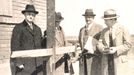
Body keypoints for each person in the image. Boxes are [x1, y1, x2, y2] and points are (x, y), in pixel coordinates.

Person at [11, 4, 44, 75]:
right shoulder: (18, 28)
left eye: (33, 15)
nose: (31, 16)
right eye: (29, 14)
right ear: (25, 15)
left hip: (37, 64)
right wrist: (19, 62)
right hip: (24, 64)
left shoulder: (38, 29)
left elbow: (40, 44)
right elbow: (14, 46)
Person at [97, 9, 132, 75]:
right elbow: (99, 43)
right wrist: (103, 49)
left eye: (106, 20)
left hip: (119, 62)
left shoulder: (123, 29)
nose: (104, 22)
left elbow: (128, 45)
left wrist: (116, 49)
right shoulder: (104, 31)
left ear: (112, 20)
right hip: (107, 62)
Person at [78, 9, 103, 75]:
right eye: (86, 17)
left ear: (93, 18)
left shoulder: (99, 28)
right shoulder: (82, 30)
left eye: (89, 17)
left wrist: (93, 48)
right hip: (83, 60)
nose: (87, 19)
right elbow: (79, 44)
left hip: (94, 60)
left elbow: (102, 44)